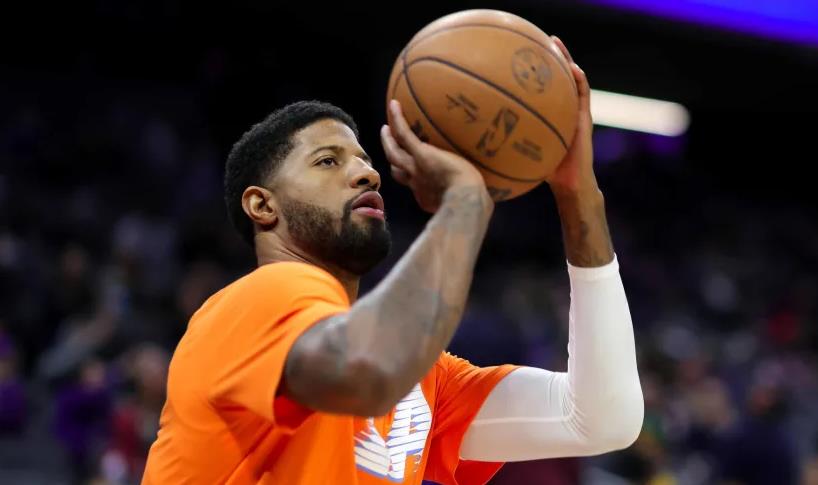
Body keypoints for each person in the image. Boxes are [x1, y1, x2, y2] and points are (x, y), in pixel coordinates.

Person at [142, 38, 643, 485]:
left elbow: (601, 419)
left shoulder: (421, 377)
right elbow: (369, 370)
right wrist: (465, 202)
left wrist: (578, 195)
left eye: (365, 160)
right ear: (262, 205)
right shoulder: (261, 299)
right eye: (327, 161)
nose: (367, 174)